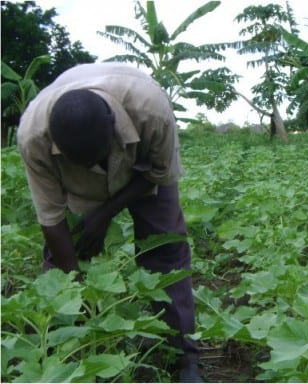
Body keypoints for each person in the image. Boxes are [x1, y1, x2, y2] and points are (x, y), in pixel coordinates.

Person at [16, 63, 201, 382]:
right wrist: (77, 292)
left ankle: (185, 355)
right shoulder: (34, 136)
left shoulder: (151, 111)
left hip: (140, 170)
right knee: (64, 256)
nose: (94, 166)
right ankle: (65, 349)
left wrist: (103, 215)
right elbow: (51, 217)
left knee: (165, 249)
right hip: (74, 184)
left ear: (112, 128)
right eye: (82, 161)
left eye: (96, 156)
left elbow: (159, 174)